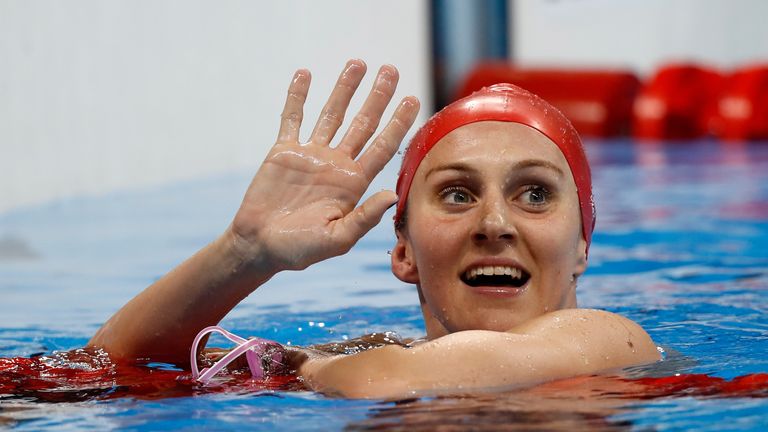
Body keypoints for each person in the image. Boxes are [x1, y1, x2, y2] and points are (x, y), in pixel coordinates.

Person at [87, 59, 660, 399]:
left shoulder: (609, 340)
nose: (494, 224)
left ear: (583, 244)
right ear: (404, 251)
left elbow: (381, 383)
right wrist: (245, 255)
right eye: (457, 194)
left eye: (535, 194)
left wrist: (303, 368)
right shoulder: (375, 351)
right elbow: (108, 370)